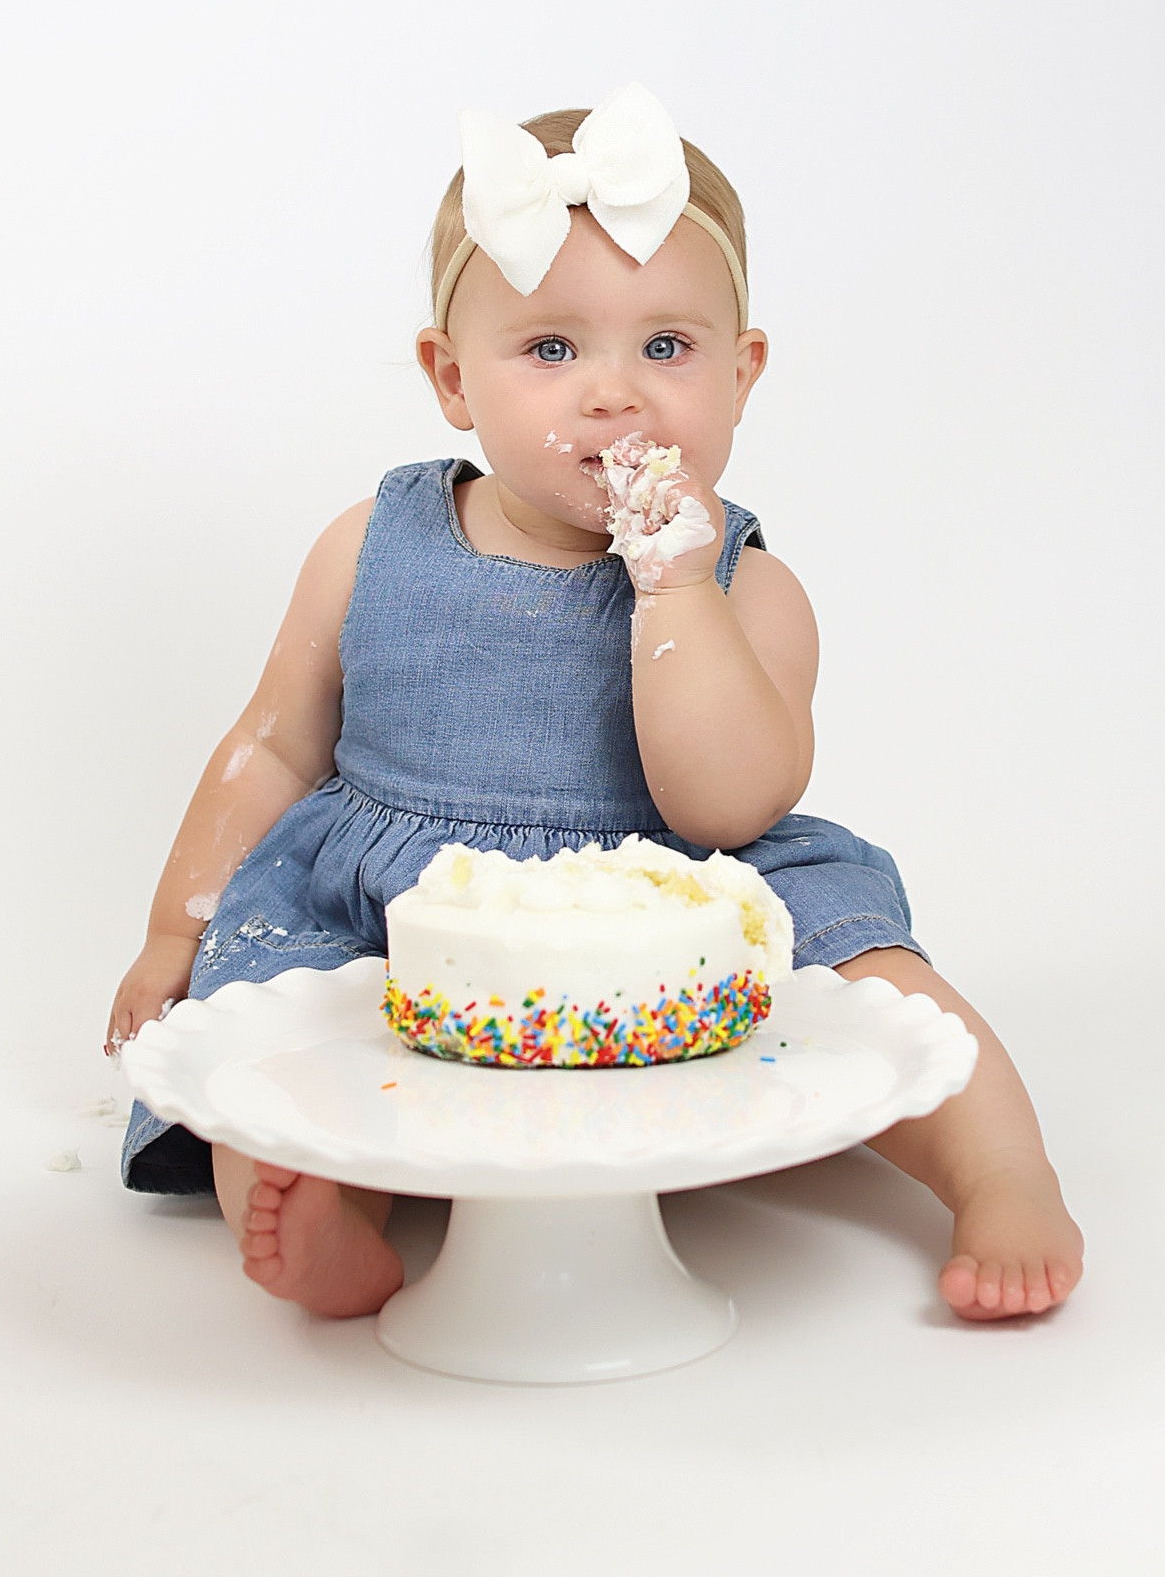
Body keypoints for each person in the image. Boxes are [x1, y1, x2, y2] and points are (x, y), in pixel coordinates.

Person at [109, 85, 1084, 1324]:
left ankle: (1002, 1174)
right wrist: (173, 932)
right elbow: (270, 745)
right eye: (552, 349)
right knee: (270, 1033)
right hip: (406, 900)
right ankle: (325, 1215)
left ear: (743, 372)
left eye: (666, 347)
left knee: (883, 986)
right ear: (451, 376)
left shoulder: (751, 587)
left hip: (683, 885)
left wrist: (673, 587)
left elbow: (725, 804)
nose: (614, 394)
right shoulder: (369, 544)